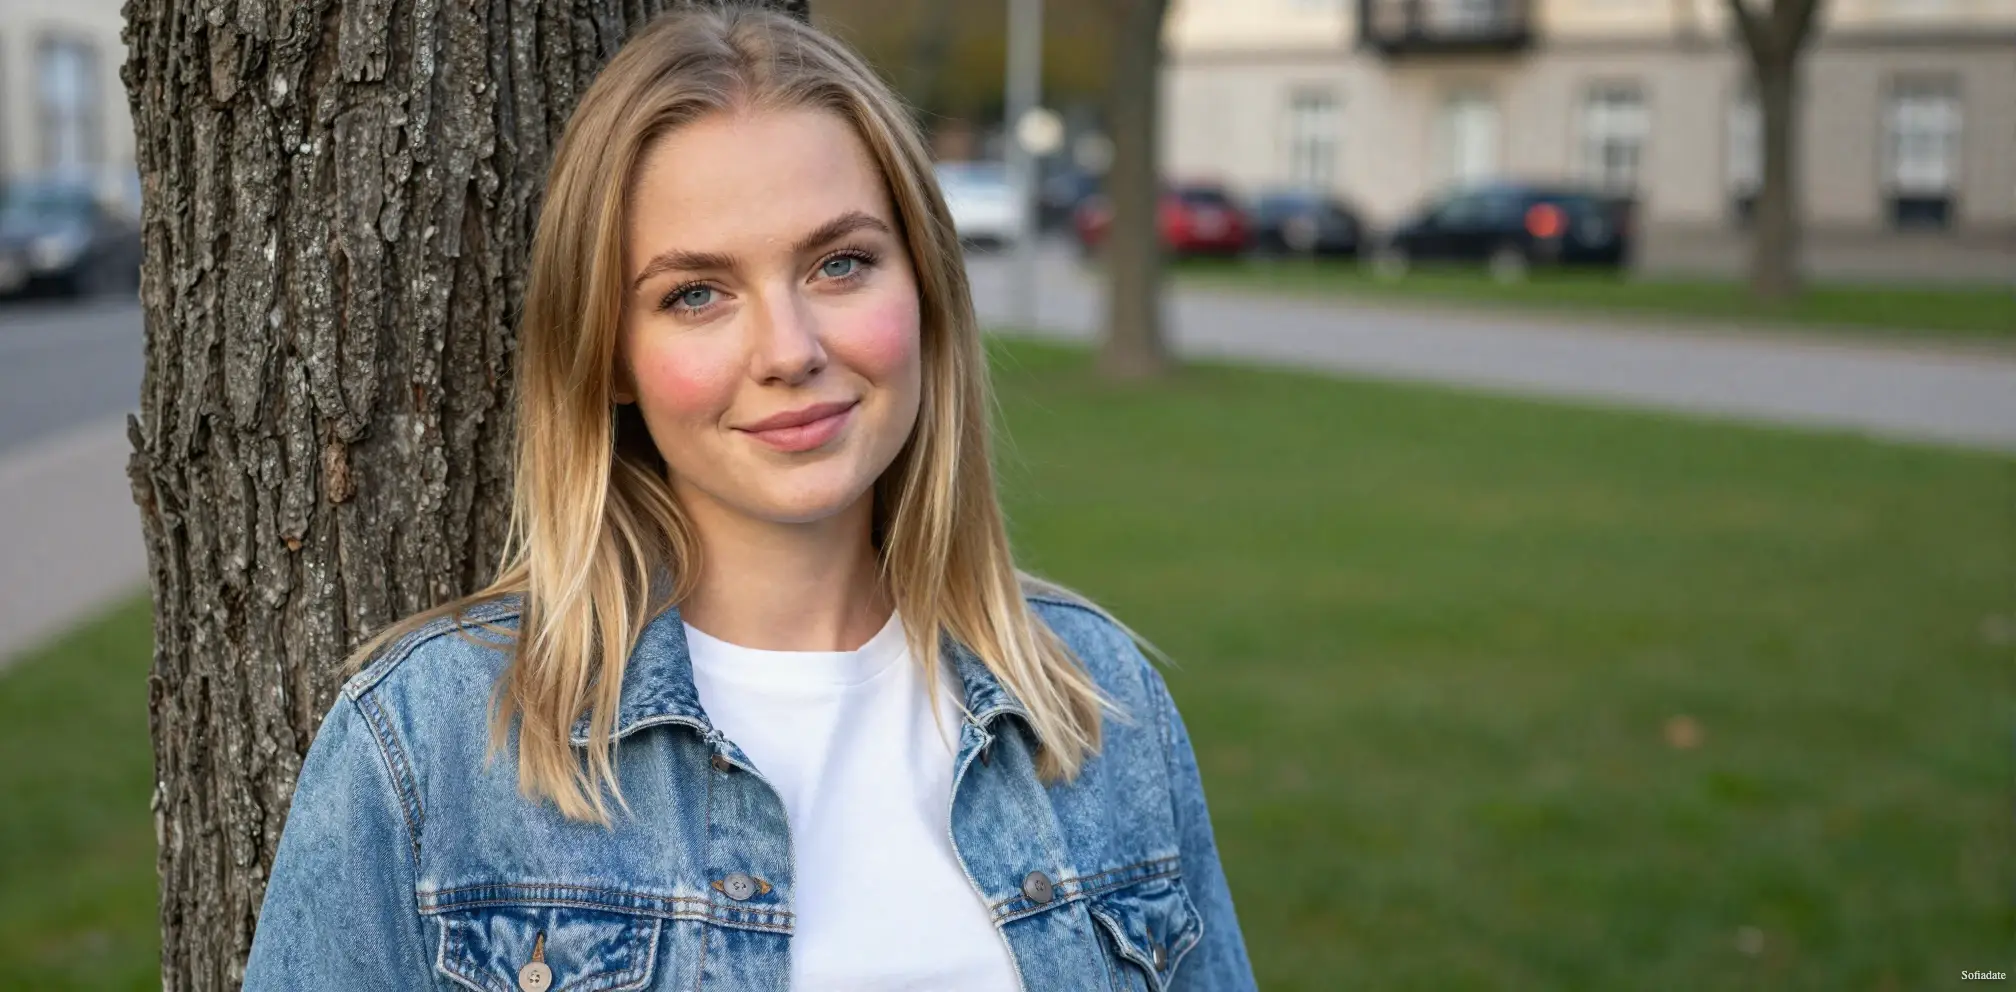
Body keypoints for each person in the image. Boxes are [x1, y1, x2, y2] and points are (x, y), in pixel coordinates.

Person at [242, 7, 1255, 991]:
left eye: (841, 263)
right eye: (696, 293)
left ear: (926, 289)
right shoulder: (426, 747)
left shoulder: (1094, 704)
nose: (790, 350)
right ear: (611, 356)